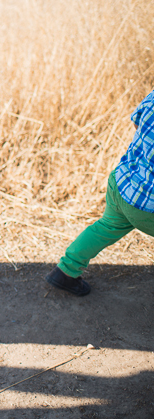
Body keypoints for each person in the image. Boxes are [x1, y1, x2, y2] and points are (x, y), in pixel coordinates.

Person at [46, 89, 154, 296]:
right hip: (148, 206)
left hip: (123, 183)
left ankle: (65, 271)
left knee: (106, 226)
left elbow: (136, 122)